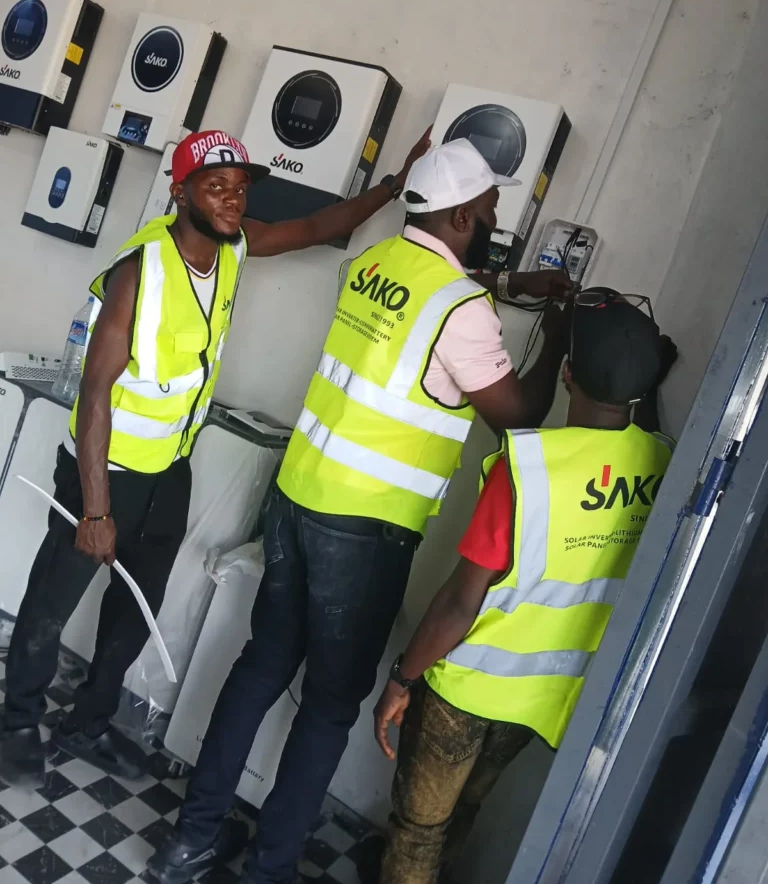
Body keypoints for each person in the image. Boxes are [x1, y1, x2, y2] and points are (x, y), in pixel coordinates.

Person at [150, 138, 571, 884]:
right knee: (329, 705)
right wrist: (560, 328)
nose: (495, 217)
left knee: (259, 668)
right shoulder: (464, 310)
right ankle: (270, 868)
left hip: (296, 498)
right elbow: (517, 414)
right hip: (367, 533)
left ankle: (192, 838)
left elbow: (432, 291)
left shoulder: (372, 266)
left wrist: (505, 281)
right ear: (469, 214)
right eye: (492, 209)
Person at [0, 126, 432, 791]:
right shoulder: (139, 272)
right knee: (52, 604)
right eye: (217, 187)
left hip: (169, 472)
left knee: (130, 615)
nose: (233, 200)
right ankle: (16, 725)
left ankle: (87, 724)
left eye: (239, 188)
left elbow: (317, 226)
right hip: (104, 472)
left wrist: (396, 185)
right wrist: (95, 509)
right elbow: (95, 394)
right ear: (180, 194)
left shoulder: (233, 249)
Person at [372, 289, 677, 884]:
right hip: (541, 700)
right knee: (466, 813)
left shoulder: (530, 467)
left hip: (465, 692)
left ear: (565, 375)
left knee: (417, 830)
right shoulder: (662, 464)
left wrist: (401, 679)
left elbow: (463, 600)